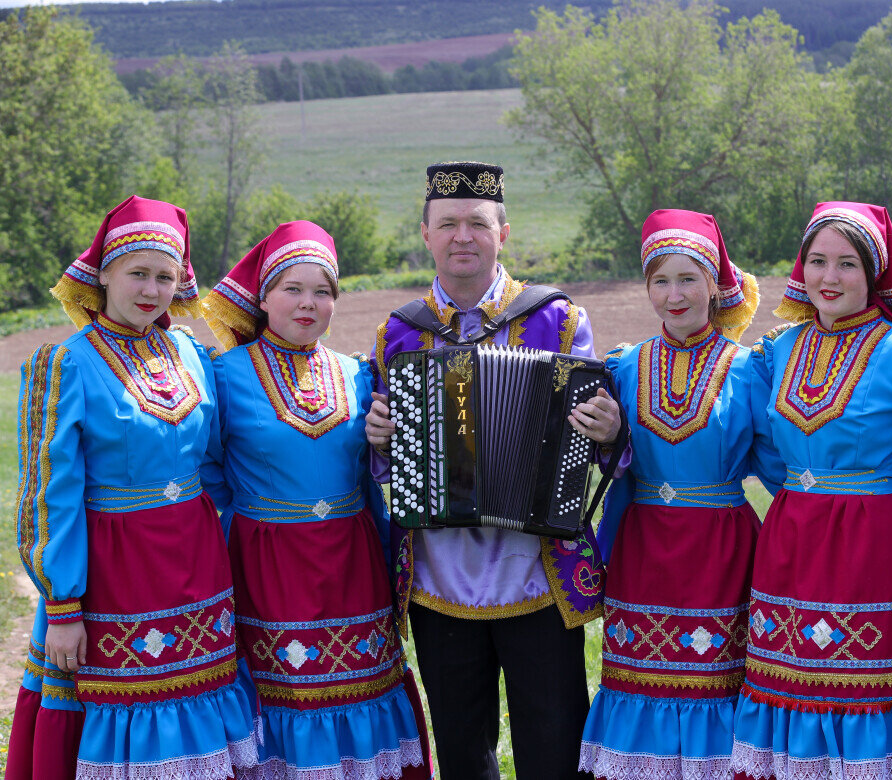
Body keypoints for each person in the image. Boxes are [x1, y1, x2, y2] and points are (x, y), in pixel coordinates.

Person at [364, 161, 621, 780]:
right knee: (461, 748)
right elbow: (383, 469)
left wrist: (608, 430)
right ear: (425, 234)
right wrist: (380, 442)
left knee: (554, 740)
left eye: (477, 223)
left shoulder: (559, 321)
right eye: (447, 223)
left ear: (502, 232)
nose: (462, 237)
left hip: (535, 568)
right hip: (439, 577)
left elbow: (589, 442)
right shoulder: (397, 334)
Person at [6, 196, 258, 780]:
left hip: (198, 565)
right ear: (104, 275)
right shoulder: (65, 364)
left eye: (164, 276)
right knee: (123, 703)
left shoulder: (193, 356)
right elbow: (50, 496)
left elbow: (219, 467)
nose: (150, 289)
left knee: (202, 699)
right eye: (137, 273)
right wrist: (64, 606)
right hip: (115, 572)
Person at [732, 202, 892, 780]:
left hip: (871, 544)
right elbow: (762, 448)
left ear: (874, 274)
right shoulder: (775, 351)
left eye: (847, 264)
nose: (829, 278)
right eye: (817, 261)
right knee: (788, 679)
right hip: (792, 536)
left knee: (860, 688)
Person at [200, 220, 431, 779]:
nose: (309, 304)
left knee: (360, 689)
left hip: (352, 564)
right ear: (264, 296)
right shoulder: (223, 374)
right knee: (287, 694)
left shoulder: (358, 374)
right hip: (269, 566)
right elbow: (209, 473)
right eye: (292, 290)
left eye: (323, 291)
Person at [577, 209, 762, 779]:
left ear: (714, 283)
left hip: (720, 550)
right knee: (641, 676)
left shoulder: (751, 368)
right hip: (645, 548)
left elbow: (791, 458)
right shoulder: (623, 367)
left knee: (714, 681)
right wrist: (610, 438)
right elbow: (599, 457)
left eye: (688, 279)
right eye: (660, 280)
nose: (674, 294)